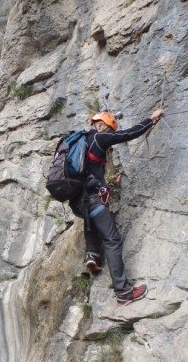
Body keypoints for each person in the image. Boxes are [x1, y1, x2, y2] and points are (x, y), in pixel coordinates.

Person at [70, 109, 164, 305]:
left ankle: (92, 254)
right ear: (102, 125)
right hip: (94, 201)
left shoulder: (84, 141)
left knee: (94, 219)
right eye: (110, 131)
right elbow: (127, 134)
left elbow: (90, 175)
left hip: (79, 202)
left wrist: (108, 183)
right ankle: (123, 292)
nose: (110, 136)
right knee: (112, 240)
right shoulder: (100, 136)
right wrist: (150, 119)